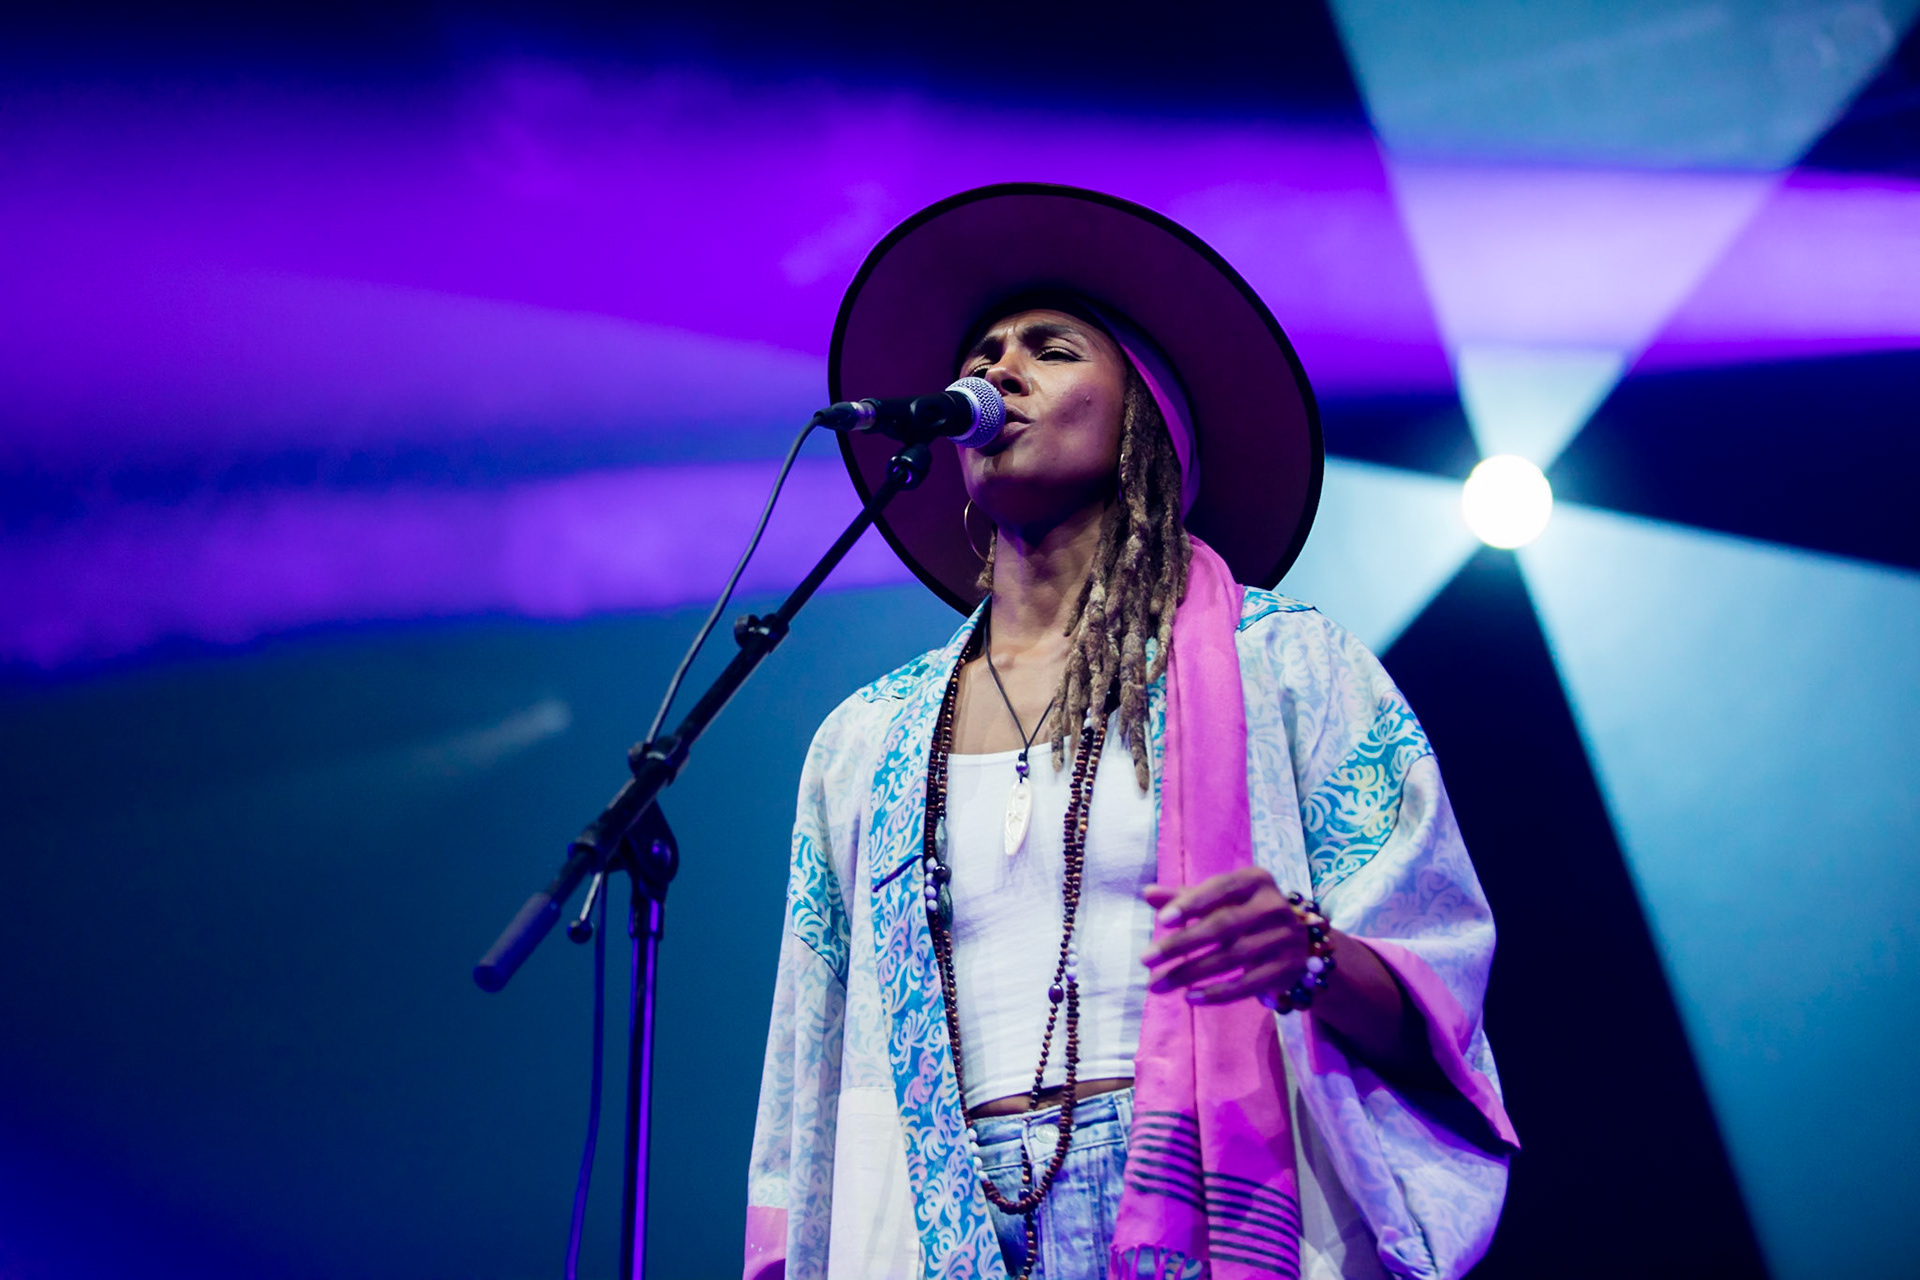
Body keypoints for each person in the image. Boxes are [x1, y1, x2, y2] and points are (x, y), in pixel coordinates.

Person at [744, 185, 1516, 1280]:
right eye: (984, 349)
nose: (997, 371)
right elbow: (807, 1064)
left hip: (1203, 1197)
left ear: (1145, 414)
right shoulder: (863, 741)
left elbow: (1434, 1000)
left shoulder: (1286, 664)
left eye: (1049, 350)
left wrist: (1301, 951)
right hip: (938, 1216)